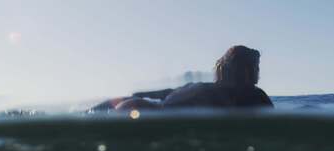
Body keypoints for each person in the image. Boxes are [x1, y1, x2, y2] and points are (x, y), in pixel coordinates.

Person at [90, 45, 273, 112]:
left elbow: (166, 93)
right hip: (148, 121)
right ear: (246, 70)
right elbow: (283, 137)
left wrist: (139, 93)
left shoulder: (198, 87)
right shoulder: (254, 96)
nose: (258, 73)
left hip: (135, 107)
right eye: (256, 67)